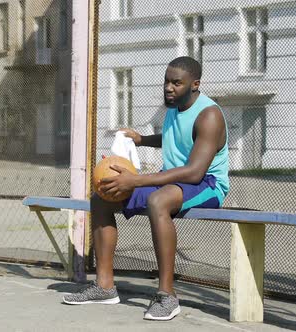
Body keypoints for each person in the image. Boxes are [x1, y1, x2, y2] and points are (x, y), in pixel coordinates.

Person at [62, 56, 230, 321]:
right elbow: (177, 137)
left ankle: (166, 295)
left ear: (195, 84)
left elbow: (195, 171)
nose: (169, 88)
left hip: (207, 183)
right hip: (173, 179)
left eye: (177, 83)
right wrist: (141, 140)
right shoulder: (174, 109)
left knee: (158, 202)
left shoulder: (210, 115)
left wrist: (136, 180)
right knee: (103, 196)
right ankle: (105, 286)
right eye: (167, 81)